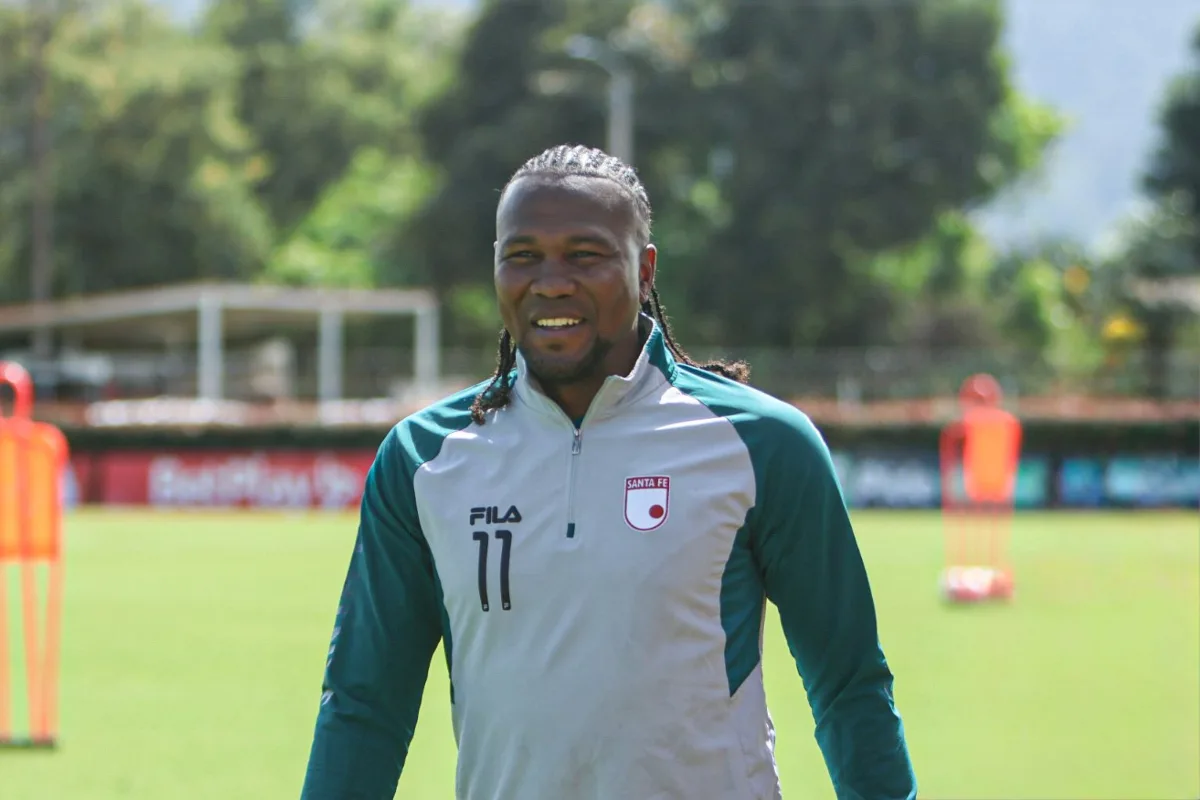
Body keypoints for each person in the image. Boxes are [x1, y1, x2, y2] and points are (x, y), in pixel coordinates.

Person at [300, 144, 917, 799]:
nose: (552, 281)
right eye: (523, 256)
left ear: (644, 268)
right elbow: (365, 702)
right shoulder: (424, 459)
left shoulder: (762, 445)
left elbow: (849, 684)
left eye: (585, 254)